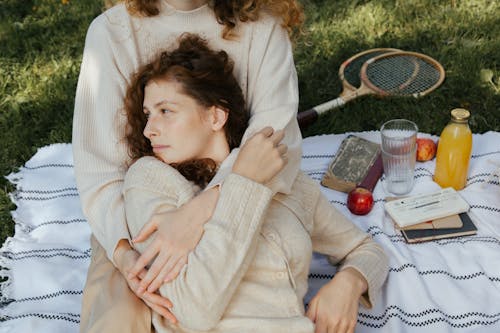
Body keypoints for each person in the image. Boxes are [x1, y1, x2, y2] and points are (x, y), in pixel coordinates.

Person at [122, 33, 388, 333]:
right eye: (147, 115)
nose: (149, 130)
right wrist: (244, 184)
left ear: (215, 116)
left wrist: (349, 283)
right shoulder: (149, 180)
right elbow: (190, 310)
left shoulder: (287, 182)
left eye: (165, 111)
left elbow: (367, 250)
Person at [73, 0, 304, 332]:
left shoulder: (263, 29)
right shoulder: (111, 32)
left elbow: (271, 150)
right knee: (118, 320)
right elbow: (101, 174)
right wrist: (126, 258)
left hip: (237, 199)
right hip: (141, 216)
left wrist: (197, 213)